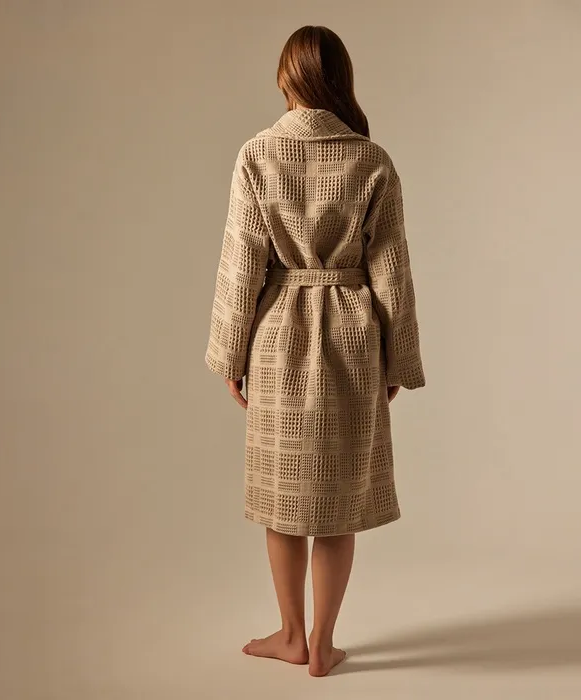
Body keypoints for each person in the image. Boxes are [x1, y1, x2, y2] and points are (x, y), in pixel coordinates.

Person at [205, 25, 425, 677]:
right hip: (353, 341)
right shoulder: (371, 159)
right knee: (336, 498)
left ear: (286, 78)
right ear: (340, 79)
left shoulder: (257, 155)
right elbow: (392, 273)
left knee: (284, 494)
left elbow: (241, 266)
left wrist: (230, 354)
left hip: (277, 340)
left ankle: (293, 636)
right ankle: (324, 644)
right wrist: (397, 360)